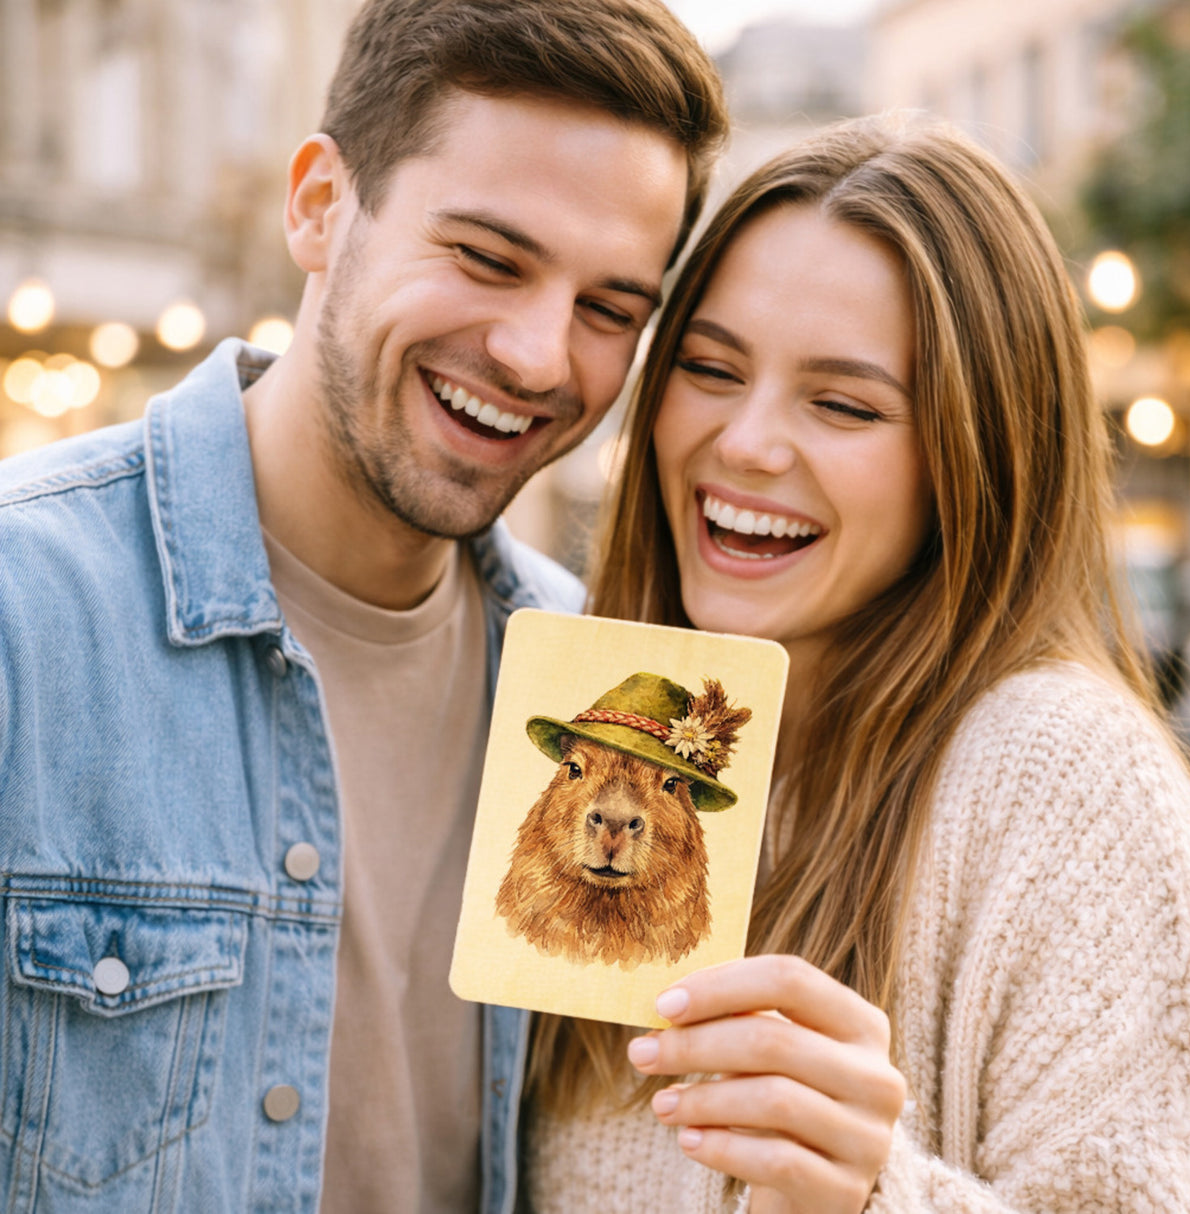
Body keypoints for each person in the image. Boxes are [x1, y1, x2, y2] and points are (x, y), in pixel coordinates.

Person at [0, 3, 727, 1212]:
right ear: (319, 206)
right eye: (486, 257)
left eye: (608, 309)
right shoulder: (26, 610)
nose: (539, 356)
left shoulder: (594, 685)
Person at [523, 114, 1190, 1213]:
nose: (745, 441)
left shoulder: (1066, 779)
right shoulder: (601, 716)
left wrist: (870, 1194)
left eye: (842, 404)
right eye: (709, 368)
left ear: (974, 454)